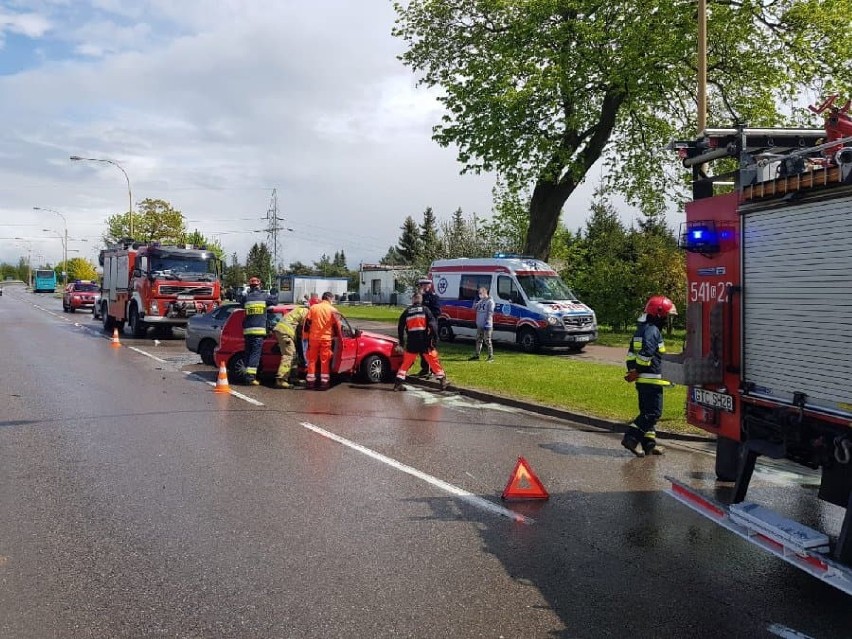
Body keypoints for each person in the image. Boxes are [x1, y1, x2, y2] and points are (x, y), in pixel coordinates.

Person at [621, 295, 678, 457]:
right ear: (659, 314)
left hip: (642, 380)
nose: (668, 319)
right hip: (651, 379)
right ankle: (631, 438)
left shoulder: (641, 330)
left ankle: (649, 445)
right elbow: (646, 354)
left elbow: (631, 354)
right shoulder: (652, 330)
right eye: (667, 316)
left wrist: (632, 370)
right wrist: (637, 370)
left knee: (647, 413)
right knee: (653, 413)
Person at [394, 292, 448, 391]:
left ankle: (398, 383)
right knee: (433, 360)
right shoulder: (425, 310)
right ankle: (442, 381)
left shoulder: (407, 311)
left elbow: (400, 327)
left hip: (412, 342)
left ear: (413, 300)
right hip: (424, 341)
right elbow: (433, 326)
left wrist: (401, 342)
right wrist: (435, 339)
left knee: (406, 363)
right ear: (421, 300)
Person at [241, 276, 274, 386]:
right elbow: (276, 300)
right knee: (255, 355)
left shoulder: (246, 298)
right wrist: (271, 292)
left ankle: (246, 375)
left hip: (247, 332)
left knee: (248, 354)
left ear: (250, 286)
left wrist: (244, 292)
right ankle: (250, 378)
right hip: (258, 332)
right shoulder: (264, 296)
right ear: (259, 285)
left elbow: (240, 302)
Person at [304, 291, 340, 390]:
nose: (333, 301)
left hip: (313, 338)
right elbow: (337, 326)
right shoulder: (332, 310)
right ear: (329, 298)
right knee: (325, 360)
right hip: (326, 339)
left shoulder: (313, 308)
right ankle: (324, 382)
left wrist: (305, 336)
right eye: (332, 299)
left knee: (312, 360)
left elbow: (307, 324)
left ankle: (310, 381)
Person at [271, 301, 309, 388]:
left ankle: (294, 378)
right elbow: (303, 328)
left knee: (294, 355)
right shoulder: (305, 312)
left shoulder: (299, 309)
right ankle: (281, 379)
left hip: (283, 331)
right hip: (285, 332)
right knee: (289, 355)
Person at [416, 277, 442, 377]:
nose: (423, 287)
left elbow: (437, 312)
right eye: (422, 285)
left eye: (426, 285)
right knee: (422, 349)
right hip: (420, 327)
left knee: (430, 349)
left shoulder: (433, 297)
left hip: (430, 327)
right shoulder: (419, 297)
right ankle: (425, 368)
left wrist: (427, 314)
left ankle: (433, 370)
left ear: (429, 286)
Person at [469, 286, 495, 362]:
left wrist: (487, 322)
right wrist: (475, 302)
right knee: (478, 339)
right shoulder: (480, 301)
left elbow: (490, 312)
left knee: (487, 340)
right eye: (479, 293)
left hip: (487, 324)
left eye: (481, 293)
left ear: (485, 292)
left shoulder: (490, 301)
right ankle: (477, 355)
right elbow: (473, 308)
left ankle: (491, 356)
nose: (479, 294)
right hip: (479, 324)